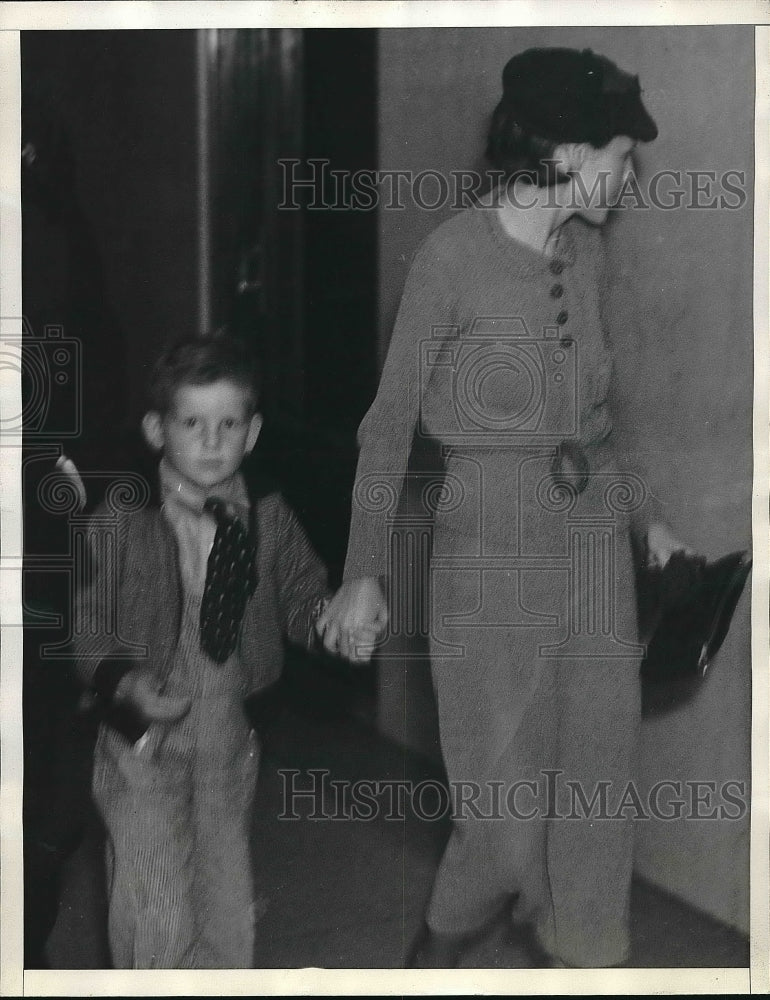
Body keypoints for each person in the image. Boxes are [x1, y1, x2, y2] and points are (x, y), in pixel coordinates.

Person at [319, 48, 688, 968]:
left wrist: (650, 521)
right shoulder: (450, 259)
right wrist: (362, 572)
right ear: (563, 151)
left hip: (594, 551)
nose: (626, 173)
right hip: (490, 553)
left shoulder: (589, 252)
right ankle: (427, 969)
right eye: (617, 153)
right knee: (505, 826)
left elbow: (601, 423)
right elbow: (387, 426)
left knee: (596, 811)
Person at [71, 333, 375, 968]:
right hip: (141, 749)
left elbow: (299, 592)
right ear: (157, 430)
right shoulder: (123, 517)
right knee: (156, 907)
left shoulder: (267, 516)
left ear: (253, 431)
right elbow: (88, 619)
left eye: (228, 423)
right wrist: (123, 682)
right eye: (192, 423)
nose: (211, 442)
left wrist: (330, 622)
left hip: (229, 743)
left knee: (227, 907)